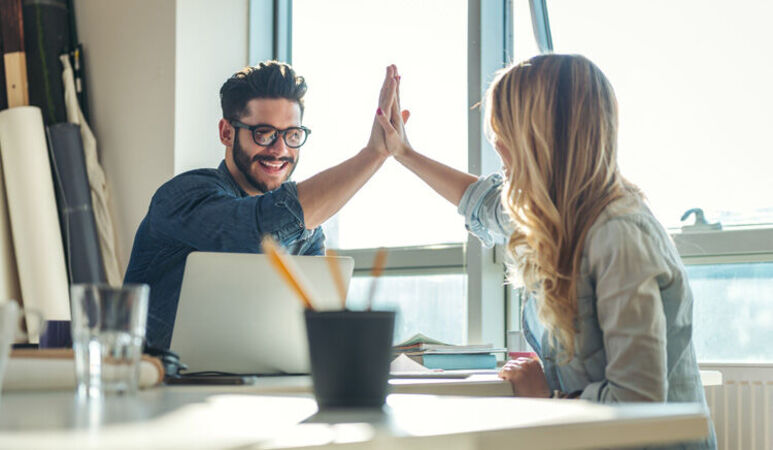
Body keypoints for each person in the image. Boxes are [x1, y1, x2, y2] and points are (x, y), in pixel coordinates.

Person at [376, 54, 716, 449]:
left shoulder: (619, 236)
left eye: (504, 137)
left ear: (540, 142)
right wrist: (404, 153)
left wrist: (548, 399)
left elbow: (637, 403)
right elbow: (483, 204)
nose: (499, 151)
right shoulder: (557, 216)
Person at [125, 61, 405, 349]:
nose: (280, 150)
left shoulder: (308, 232)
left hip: (256, 386)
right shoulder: (184, 197)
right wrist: (373, 155)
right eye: (264, 133)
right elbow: (256, 232)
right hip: (158, 385)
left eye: (292, 135)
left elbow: (312, 333)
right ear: (226, 133)